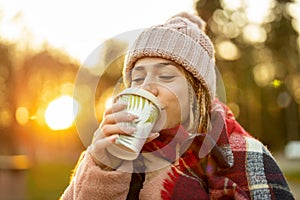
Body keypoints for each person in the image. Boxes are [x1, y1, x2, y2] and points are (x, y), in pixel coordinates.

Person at [61, 12, 294, 199]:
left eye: (165, 77)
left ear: (197, 93)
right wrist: (103, 165)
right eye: (138, 78)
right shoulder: (107, 152)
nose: (147, 88)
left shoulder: (245, 153)